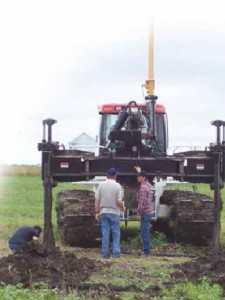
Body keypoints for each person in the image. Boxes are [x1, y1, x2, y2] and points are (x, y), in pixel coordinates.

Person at [95, 167, 124, 260]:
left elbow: (97, 200)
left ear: (107, 175)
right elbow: (119, 201)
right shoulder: (117, 186)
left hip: (103, 212)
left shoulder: (101, 185)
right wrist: (122, 208)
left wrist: (96, 211)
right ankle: (116, 255)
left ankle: (105, 255)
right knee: (116, 234)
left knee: (105, 234)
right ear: (115, 175)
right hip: (114, 212)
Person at [135, 166, 152, 256]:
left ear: (143, 178)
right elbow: (147, 180)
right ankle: (146, 250)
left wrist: (138, 214)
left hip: (145, 213)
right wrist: (140, 171)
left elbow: (141, 203)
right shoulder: (148, 185)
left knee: (144, 233)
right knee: (146, 232)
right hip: (149, 212)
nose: (137, 178)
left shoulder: (143, 188)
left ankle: (146, 252)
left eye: (139, 176)